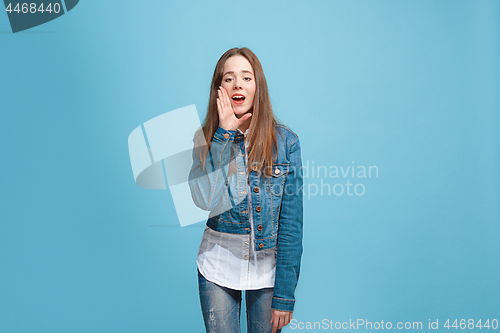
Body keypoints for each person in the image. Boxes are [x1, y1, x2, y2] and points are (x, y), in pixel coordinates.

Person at [188, 47, 303, 333]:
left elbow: (291, 224)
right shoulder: (205, 139)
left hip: (268, 275)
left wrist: (285, 295)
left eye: (246, 77)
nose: (237, 84)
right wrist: (223, 135)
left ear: (257, 88)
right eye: (229, 78)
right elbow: (204, 200)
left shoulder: (286, 143)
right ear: (219, 90)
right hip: (216, 267)